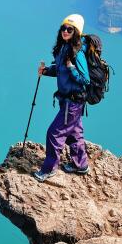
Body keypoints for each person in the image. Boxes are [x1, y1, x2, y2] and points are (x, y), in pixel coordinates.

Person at [33, 14, 90, 182]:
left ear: (76, 32)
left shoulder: (77, 54)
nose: (65, 31)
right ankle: (80, 164)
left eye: (70, 29)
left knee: (54, 133)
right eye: (63, 28)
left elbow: (85, 79)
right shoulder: (63, 48)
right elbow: (59, 70)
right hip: (66, 100)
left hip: (72, 102)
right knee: (74, 133)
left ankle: (49, 169)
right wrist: (45, 71)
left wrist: (72, 68)